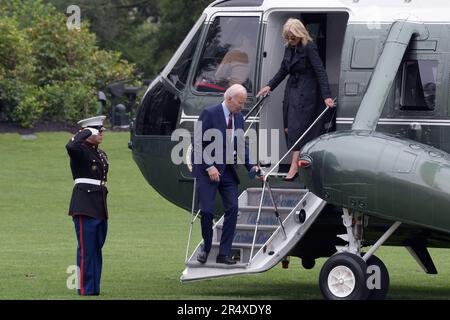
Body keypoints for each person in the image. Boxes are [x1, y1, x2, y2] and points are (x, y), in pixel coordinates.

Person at [257, 18, 335, 181]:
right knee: (289, 127)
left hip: (307, 92)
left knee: (296, 128)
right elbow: (283, 70)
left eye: (293, 37)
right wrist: (269, 86)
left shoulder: (309, 47)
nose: (290, 40)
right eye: (288, 37)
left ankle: (294, 167)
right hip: (292, 89)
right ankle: (297, 164)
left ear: (300, 34)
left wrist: (326, 96)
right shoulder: (289, 48)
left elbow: (320, 71)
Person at [192, 84, 260, 265]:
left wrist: (252, 166)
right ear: (229, 99)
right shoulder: (209, 113)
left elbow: (240, 146)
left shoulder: (239, 118)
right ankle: (206, 248)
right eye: (240, 102)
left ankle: (224, 253)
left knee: (233, 209)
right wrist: (209, 166)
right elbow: (197, 143)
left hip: (228, 172)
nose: (242, 106)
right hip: (208, 171)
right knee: (206, 212)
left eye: (244, 103)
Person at [66, 115, 109, 296]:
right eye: (97, 130)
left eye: (101, 130)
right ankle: (85, 288)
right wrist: (84, 132)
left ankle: (94, 288)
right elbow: (70, 146)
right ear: (88, 132)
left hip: (99, 203)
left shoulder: (99, 153)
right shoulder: (80, 150)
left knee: (96, 248)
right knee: (86, 248)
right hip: (84, 203)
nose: (101, 133)